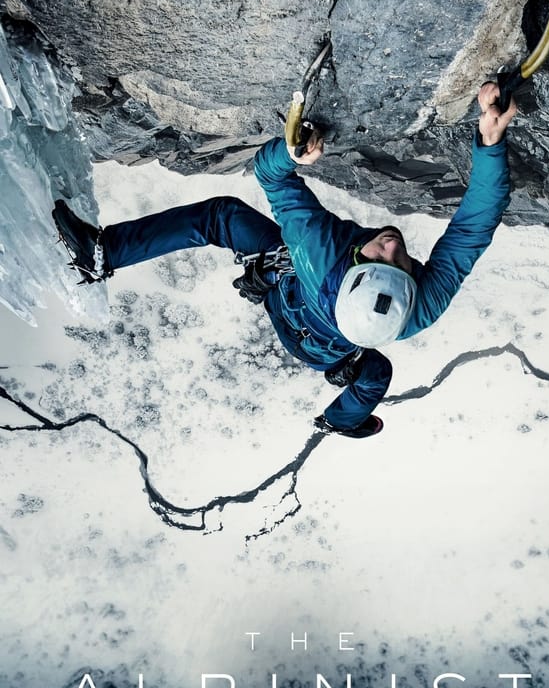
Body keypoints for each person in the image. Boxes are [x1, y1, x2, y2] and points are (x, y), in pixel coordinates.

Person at [52, 82, 516, 439]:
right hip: (312, 332)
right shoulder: (419, 307)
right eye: (400, 261)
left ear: (354, 264)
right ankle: (340, 420)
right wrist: (491, 142)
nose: (393, 243)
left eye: (380, 254)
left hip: (291, 290)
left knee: (221, 217)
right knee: (374, 373)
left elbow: (270, 176)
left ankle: (104, 253)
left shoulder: (319, 250)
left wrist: (290, 153)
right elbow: (472, 230)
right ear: (413, 286)